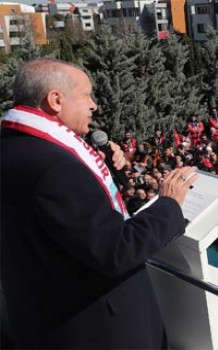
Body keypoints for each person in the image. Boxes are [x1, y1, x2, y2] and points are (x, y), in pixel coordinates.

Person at [0, 58, 199, 348]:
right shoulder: (55, 167)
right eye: (86, 95)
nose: (94, 105)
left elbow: (71, 220)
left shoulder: (13, 147)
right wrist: (168, 204)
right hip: (97, 330)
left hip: (42, 320)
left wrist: (102, 169)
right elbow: (115, 250)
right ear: (56, 100)